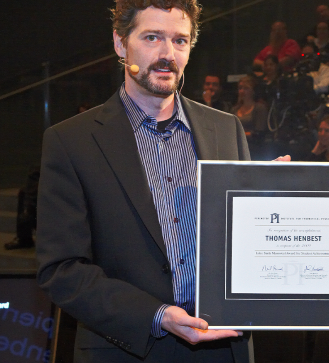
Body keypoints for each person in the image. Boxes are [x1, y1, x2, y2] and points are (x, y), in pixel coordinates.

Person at [36, 1, 259, 361]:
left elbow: (245, 242)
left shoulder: (225, 128)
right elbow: (61, 270)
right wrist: (155, 316)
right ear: (120, 44)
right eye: (152, 37)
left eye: (180, 40)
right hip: (127, 347)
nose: (167, 54)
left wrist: (276, 199)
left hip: (223, 346)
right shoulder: (71, 141)